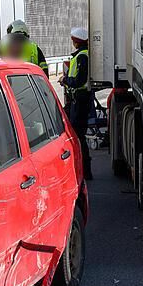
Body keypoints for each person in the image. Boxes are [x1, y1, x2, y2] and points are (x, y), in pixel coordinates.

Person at [60, 27, 94, 180]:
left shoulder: (82, 57)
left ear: (76, 41)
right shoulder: (82, 55)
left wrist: (66, 80)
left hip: (80, 99)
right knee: (78, 134)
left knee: (78, 135)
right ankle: (83, 170)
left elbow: (79, 80)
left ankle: (85, 170)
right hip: (80, 98)